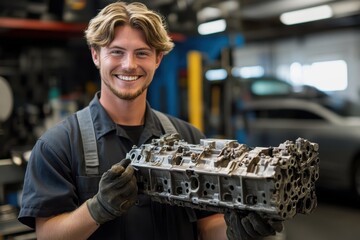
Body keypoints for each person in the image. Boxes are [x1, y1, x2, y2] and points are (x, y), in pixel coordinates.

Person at [18, 1, 283, 239]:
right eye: (117, 52)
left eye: (142, 53)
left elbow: (208, 226)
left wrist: (236, 233)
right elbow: (48, 235)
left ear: (158, 59)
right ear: (96, 55)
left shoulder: (191, 139)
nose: (129, 64)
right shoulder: (57, 146)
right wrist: (97, 209)